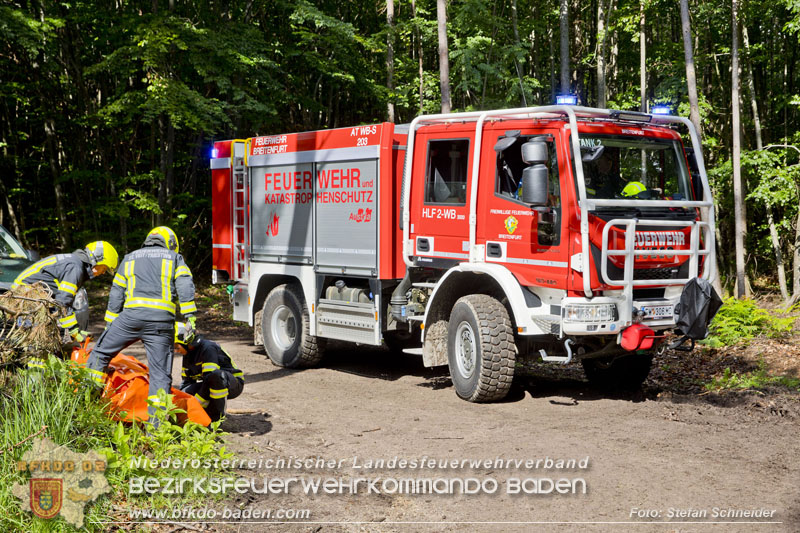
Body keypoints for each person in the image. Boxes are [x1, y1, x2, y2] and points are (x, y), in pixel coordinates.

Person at [86, 226, 197, 425]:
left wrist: (110, 325)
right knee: (160, 375)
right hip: (160, 324)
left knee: (100, 353)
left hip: (129, 319)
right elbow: (184, 283)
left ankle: (87, 404)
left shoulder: (129, 258)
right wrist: (190, 317)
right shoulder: (174, 258)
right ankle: (157, 430)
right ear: (171, 243)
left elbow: (117, 291)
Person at [13, 241, 118, 369]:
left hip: (32, 295)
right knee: (37, 344)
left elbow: (62, 301)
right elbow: (63, 302)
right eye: (104, 268)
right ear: (97, 259)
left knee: (47, 338)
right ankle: (33, 379)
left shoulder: (75, 263)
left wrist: (72, 330)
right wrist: (75, 331)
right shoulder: (75, 268)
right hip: (26, 296)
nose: (102, 273)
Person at [175, 322, 244, 422]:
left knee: (216, 377)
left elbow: (210, 378)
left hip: (232, 384)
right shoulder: (187, 355)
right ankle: (203, 415)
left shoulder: (208, 348)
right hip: (210, 383)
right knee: (184, 393)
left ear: (186, 342)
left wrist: (197, 402)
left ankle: (217, 419)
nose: (176, 351)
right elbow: (186, 383)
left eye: (177, 347)